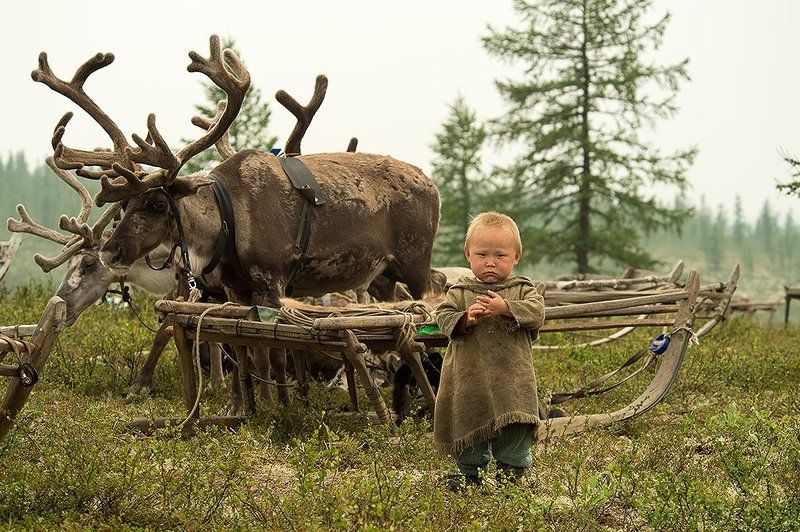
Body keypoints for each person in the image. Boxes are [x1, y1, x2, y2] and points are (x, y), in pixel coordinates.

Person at [433, 211, 546, 491]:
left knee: (514, 427)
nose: (490, 262)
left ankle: (512, 475)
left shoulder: (521, 290)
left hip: (512, 379)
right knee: (469, 422)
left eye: (500, 255)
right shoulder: (459, 292)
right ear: (468, 254)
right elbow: (442, 316)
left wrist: (506, 308)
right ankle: (471, 475)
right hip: (470, 378)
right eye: (482, 254)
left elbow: (537, 313)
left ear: (516, 257)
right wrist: (465, 319)